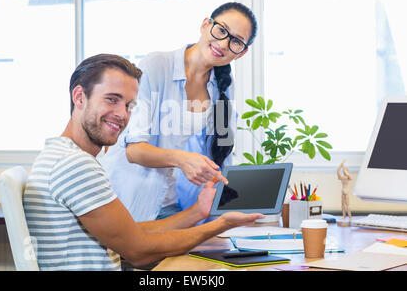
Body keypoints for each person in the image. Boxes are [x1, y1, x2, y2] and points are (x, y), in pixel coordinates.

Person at [23, 54, 263, 271]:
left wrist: (198, 211)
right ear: (79, 97)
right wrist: (219, 225)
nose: (122, 114)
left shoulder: (61, 156)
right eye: (111, 100)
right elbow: (139, 251)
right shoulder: (75, 165)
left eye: (129, 105)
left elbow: (134, 234)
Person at [102, 2, 258, 222]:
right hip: (129, 199)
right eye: (221, 30)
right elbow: (134, 149)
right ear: (205, 25)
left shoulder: (224, 85)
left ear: (241, 53)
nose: (223, 44)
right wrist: (182, 159)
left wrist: (220, 217)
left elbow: (220, 156)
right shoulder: (157, 65)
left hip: (176, 203)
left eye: (235, 42)